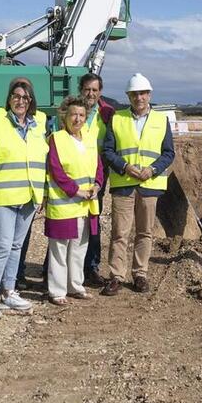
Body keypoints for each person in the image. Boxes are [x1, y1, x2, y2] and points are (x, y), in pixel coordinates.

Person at [0, 79, 48, 321]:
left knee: (16, 247)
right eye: (16, 96)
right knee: (2, 247)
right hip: (2, 197)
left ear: (31, 101)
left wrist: (42, 193)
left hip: (28, 197)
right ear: (9, 99)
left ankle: (8, 292)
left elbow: (41, 162)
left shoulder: (38, 127)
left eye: (25, 97)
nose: (20, 101)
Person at [100, 73, 175, 295]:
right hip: (124, 184)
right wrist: (125, 167)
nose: (139, 97)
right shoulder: (117, 118)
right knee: (119, 233)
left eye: (142, 93)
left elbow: (168, 153)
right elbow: (108, 151)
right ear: (129, 96)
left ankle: (140, 274)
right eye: (134, 94)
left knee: (145, 232)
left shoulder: (162, 121)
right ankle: (116, 276)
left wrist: (152, 169)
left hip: (149, 184)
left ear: (149, 94)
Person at [45, 96, 104, 305]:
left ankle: (75, 286)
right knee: (59, 250)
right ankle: (57, 291)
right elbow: (56, 170)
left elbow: (98, 166)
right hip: (65, 204)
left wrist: (97, 185)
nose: (77, 119)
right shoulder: (57, 138)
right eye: (73, 115)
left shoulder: (89, 138)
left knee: (79, 248)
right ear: (65, 116)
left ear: (86, 117)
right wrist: (75, 190)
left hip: (86, 204)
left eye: (81, 115)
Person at [76, 73, 113, 286]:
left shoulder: (107, 113)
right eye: (87, 89)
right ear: (81, 89)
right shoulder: (70, 111)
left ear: (100, 91)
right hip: (73, 175)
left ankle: (91, 267)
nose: (91, 94)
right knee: (67, 221)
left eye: (95, 90)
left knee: (93, 221)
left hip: (97, 176)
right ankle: (53, 269)